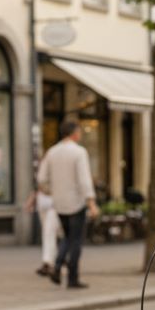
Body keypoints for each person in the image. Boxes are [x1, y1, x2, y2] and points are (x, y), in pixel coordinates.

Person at [36, 119, 99, 289]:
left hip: (59, 203)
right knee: (76, 240)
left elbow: (41, 179)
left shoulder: (52, 152)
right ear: (74, 133)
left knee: (67, 237)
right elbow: (84, 180)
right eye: (79, 131)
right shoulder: (79, 152)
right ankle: (72, 277)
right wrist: (91, 202)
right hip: (76, 203)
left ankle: (57, 266)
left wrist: (51, 191)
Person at [24, 187, 61, 277]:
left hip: (55, 203)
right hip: (43, 203)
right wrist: (32, 199)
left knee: (49, 233)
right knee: (48, 234)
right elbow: (38, 185)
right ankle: (52, 263)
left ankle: (48, 263)